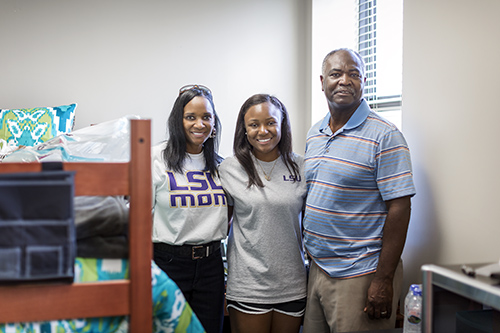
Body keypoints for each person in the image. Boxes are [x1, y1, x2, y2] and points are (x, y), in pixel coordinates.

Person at [302, 48, 417, 332]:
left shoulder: (385, 135)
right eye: (336, 74)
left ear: (364, 81)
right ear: (322, 81)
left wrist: (382, 280)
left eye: (354, 74)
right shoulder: (314, 133)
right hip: (317, 269)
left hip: (360, 273)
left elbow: (400, 208)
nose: (345, 81)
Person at [219, 94, 308, 333]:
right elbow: (221, 223)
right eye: (254, 124)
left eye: (270, 122)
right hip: (248, 285)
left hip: (293, 284)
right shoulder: (229, 169)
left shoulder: (301, 166)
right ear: (244, 129)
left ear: (282, 125)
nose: (263, 130)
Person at [152, 84, 227, 333]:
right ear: (178, 120)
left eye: (207, 117)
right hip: (168, 262)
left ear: (214, 123)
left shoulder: (222, 166)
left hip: (212, 266)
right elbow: (136, 215)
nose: (199, 124)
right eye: (190, 117)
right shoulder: (155, 159)